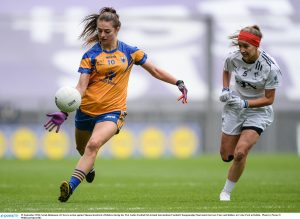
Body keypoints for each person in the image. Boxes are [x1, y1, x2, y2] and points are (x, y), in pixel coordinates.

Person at [44, 7, 188, 202]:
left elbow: (154, 70)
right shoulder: (90, 55)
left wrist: (177, 82)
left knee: (93, 145)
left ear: (117, 29)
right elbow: (81, 87)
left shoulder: (130, 52)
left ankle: (69, 187)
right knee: (82, 148)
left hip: (112, 112)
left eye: (107, 31)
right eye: (99, 30)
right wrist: (65, 111)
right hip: (86, 111)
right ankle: (89, 168)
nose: (102, 35)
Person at [218, 25, 281, 201]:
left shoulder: (270, 67)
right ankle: (239, 151)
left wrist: (245, 103)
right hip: (234, 107)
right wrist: (225, 89)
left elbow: (269, 99)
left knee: (240, 152)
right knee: (226, 156)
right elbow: (226, 70)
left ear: (256, 45)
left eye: (246, 46)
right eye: (240, 46)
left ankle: (226, 192)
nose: (242, 50)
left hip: (257, 110)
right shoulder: (234, 58)